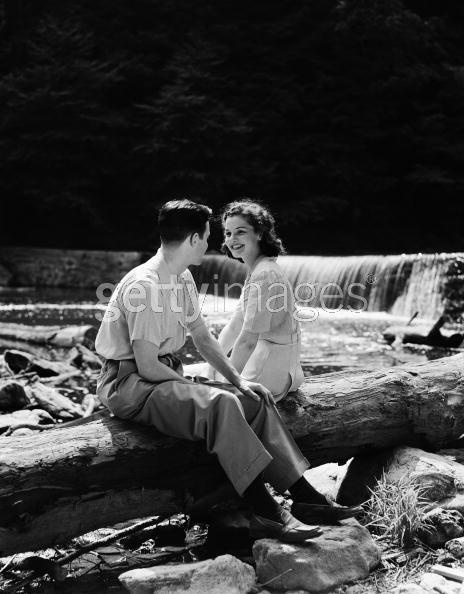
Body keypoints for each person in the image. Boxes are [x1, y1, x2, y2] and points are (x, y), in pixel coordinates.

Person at [95, 199, 359, 542]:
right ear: (192, 239)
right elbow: (146, 366)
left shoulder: (182, 279)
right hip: (130, 384)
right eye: (206, 237)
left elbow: (203, 339)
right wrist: (202, 388)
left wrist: (239, 379)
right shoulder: (145, 286)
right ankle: (267, 512)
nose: (210, 244)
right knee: (221, 404)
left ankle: (306, 498)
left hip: (160, 375)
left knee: (255, 398)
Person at [186, 199, 304, 401]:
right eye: (228, 233)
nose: (232, 239)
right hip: (268, 366)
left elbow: (248, 341)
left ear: (259, 233)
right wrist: (213, 366)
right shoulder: (257, 270)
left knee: (187, 386)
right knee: (191, 373)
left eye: (240, 232)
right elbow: (234, 327)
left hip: (270, 374)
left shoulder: (265, 274)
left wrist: (227, 381)